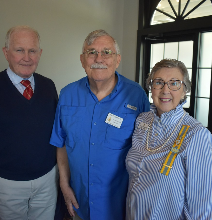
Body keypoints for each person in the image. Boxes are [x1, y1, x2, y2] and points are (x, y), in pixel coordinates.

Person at [50, 29, 150, 220]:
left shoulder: (136, 96)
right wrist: (64, 184)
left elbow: (146, 151)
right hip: (80, 203)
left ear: (117, 59)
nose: (99, 58)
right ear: (82, 59)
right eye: (92, 52)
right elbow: (61, 142)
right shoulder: (67, 94)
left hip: (120, 207)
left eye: (106, 52)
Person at [0, 26, 58, 220]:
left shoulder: (49, 86)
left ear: (39, 54)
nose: (27, 57)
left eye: (32, 50)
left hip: (46, 182)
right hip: (6, 186)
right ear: (5, 53)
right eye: (19, 50)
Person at [126, 59, 212, 219]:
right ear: (151, 88)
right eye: (158, 82)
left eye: (174, 83)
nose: (165, 90)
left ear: (184, 90)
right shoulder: (141, 121)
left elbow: (203, 207)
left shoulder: (197, 135)